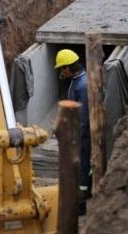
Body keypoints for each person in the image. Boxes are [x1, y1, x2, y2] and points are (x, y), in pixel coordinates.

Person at [55, 49, 91, 215]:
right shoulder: (78, 81)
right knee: (82, 167)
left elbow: (83, 118)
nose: (62, 72)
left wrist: (75, 138)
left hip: (81, 136)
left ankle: (81, 203)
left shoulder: (82, 86)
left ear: (70, 67)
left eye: (63, 68)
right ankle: (84, 194)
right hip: (78, 133)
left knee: (82, 167)